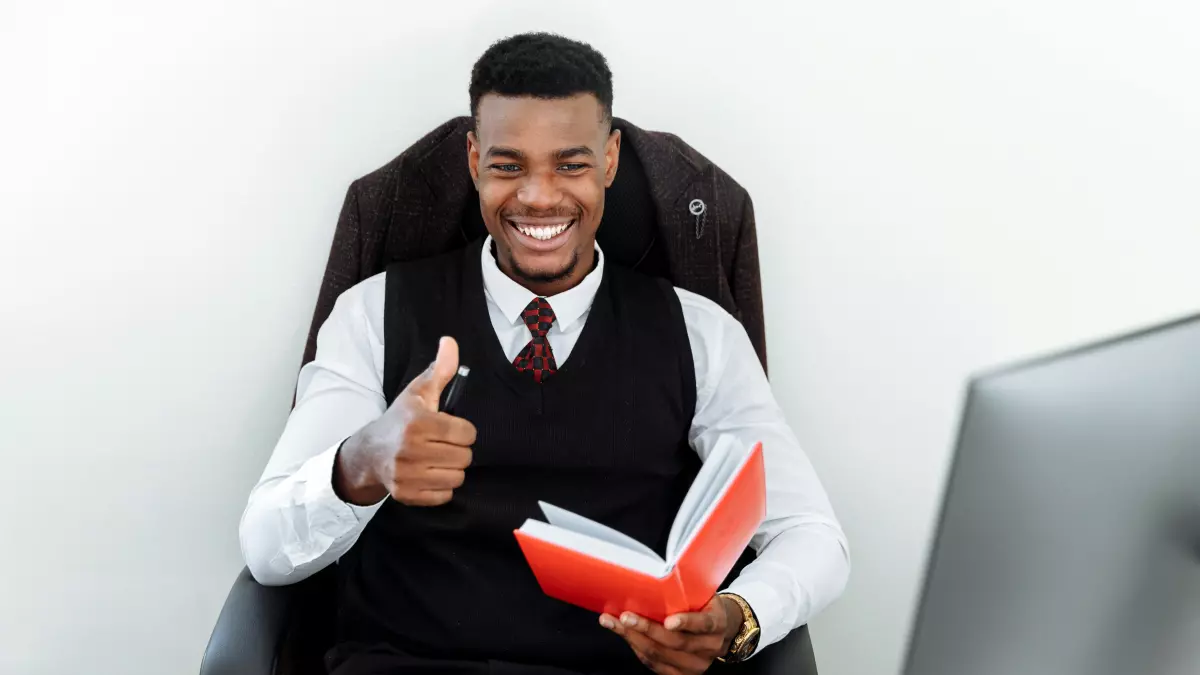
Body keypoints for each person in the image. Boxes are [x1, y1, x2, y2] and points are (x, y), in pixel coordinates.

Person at [240, 32, 849, 675]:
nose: (538, 196)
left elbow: (810, 533)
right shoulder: (373, 315)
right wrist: (358, 465)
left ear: (610, 160)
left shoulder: (703, 335)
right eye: (508, 165)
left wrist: (736, 617)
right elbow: (266, 549)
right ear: (474, 159)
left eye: (571, 164)